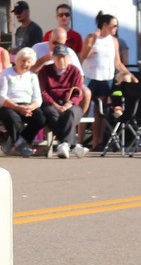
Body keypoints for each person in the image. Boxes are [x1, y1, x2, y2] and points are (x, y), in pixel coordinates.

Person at [81, 11, 131, 150]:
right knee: (84, 109)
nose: (116, 29)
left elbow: (117, 62)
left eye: (117, 26)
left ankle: (97, 142)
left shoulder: (114, 41)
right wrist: (92, 43)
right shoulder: (92, 37)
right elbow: (83, 56)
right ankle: (78, 141)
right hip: (90, 76)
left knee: (100, 111)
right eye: (113, 26)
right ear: (104, 25)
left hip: (105, 77)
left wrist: (128, 73)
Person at [35, 41, 88, 157]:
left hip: (69, 104)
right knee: (51, 113)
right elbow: (43, 92)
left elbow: (78, 92)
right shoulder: (45, 71)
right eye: (58, 58)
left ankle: (64, 144)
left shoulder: (75, 71)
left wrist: (69, 103)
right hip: (51, 104)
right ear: (53, 58)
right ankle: (73, 145)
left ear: (69, 58)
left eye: (64, 57)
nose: (61, 61)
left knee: (72, 113)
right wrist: (55, 105)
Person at [0, 47, 43, 156]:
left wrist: (30, 107)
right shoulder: (6, 73)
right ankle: (21, 145)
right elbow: (1, 96)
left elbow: (38, 98)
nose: (25, 64)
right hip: (7, 106)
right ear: (17, 60)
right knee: (14, 119)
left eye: (29, 61)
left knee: (40, 118)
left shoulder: (32, 76)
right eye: (23, 60)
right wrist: (17, 107)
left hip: (27, 106)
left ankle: (16, 141)